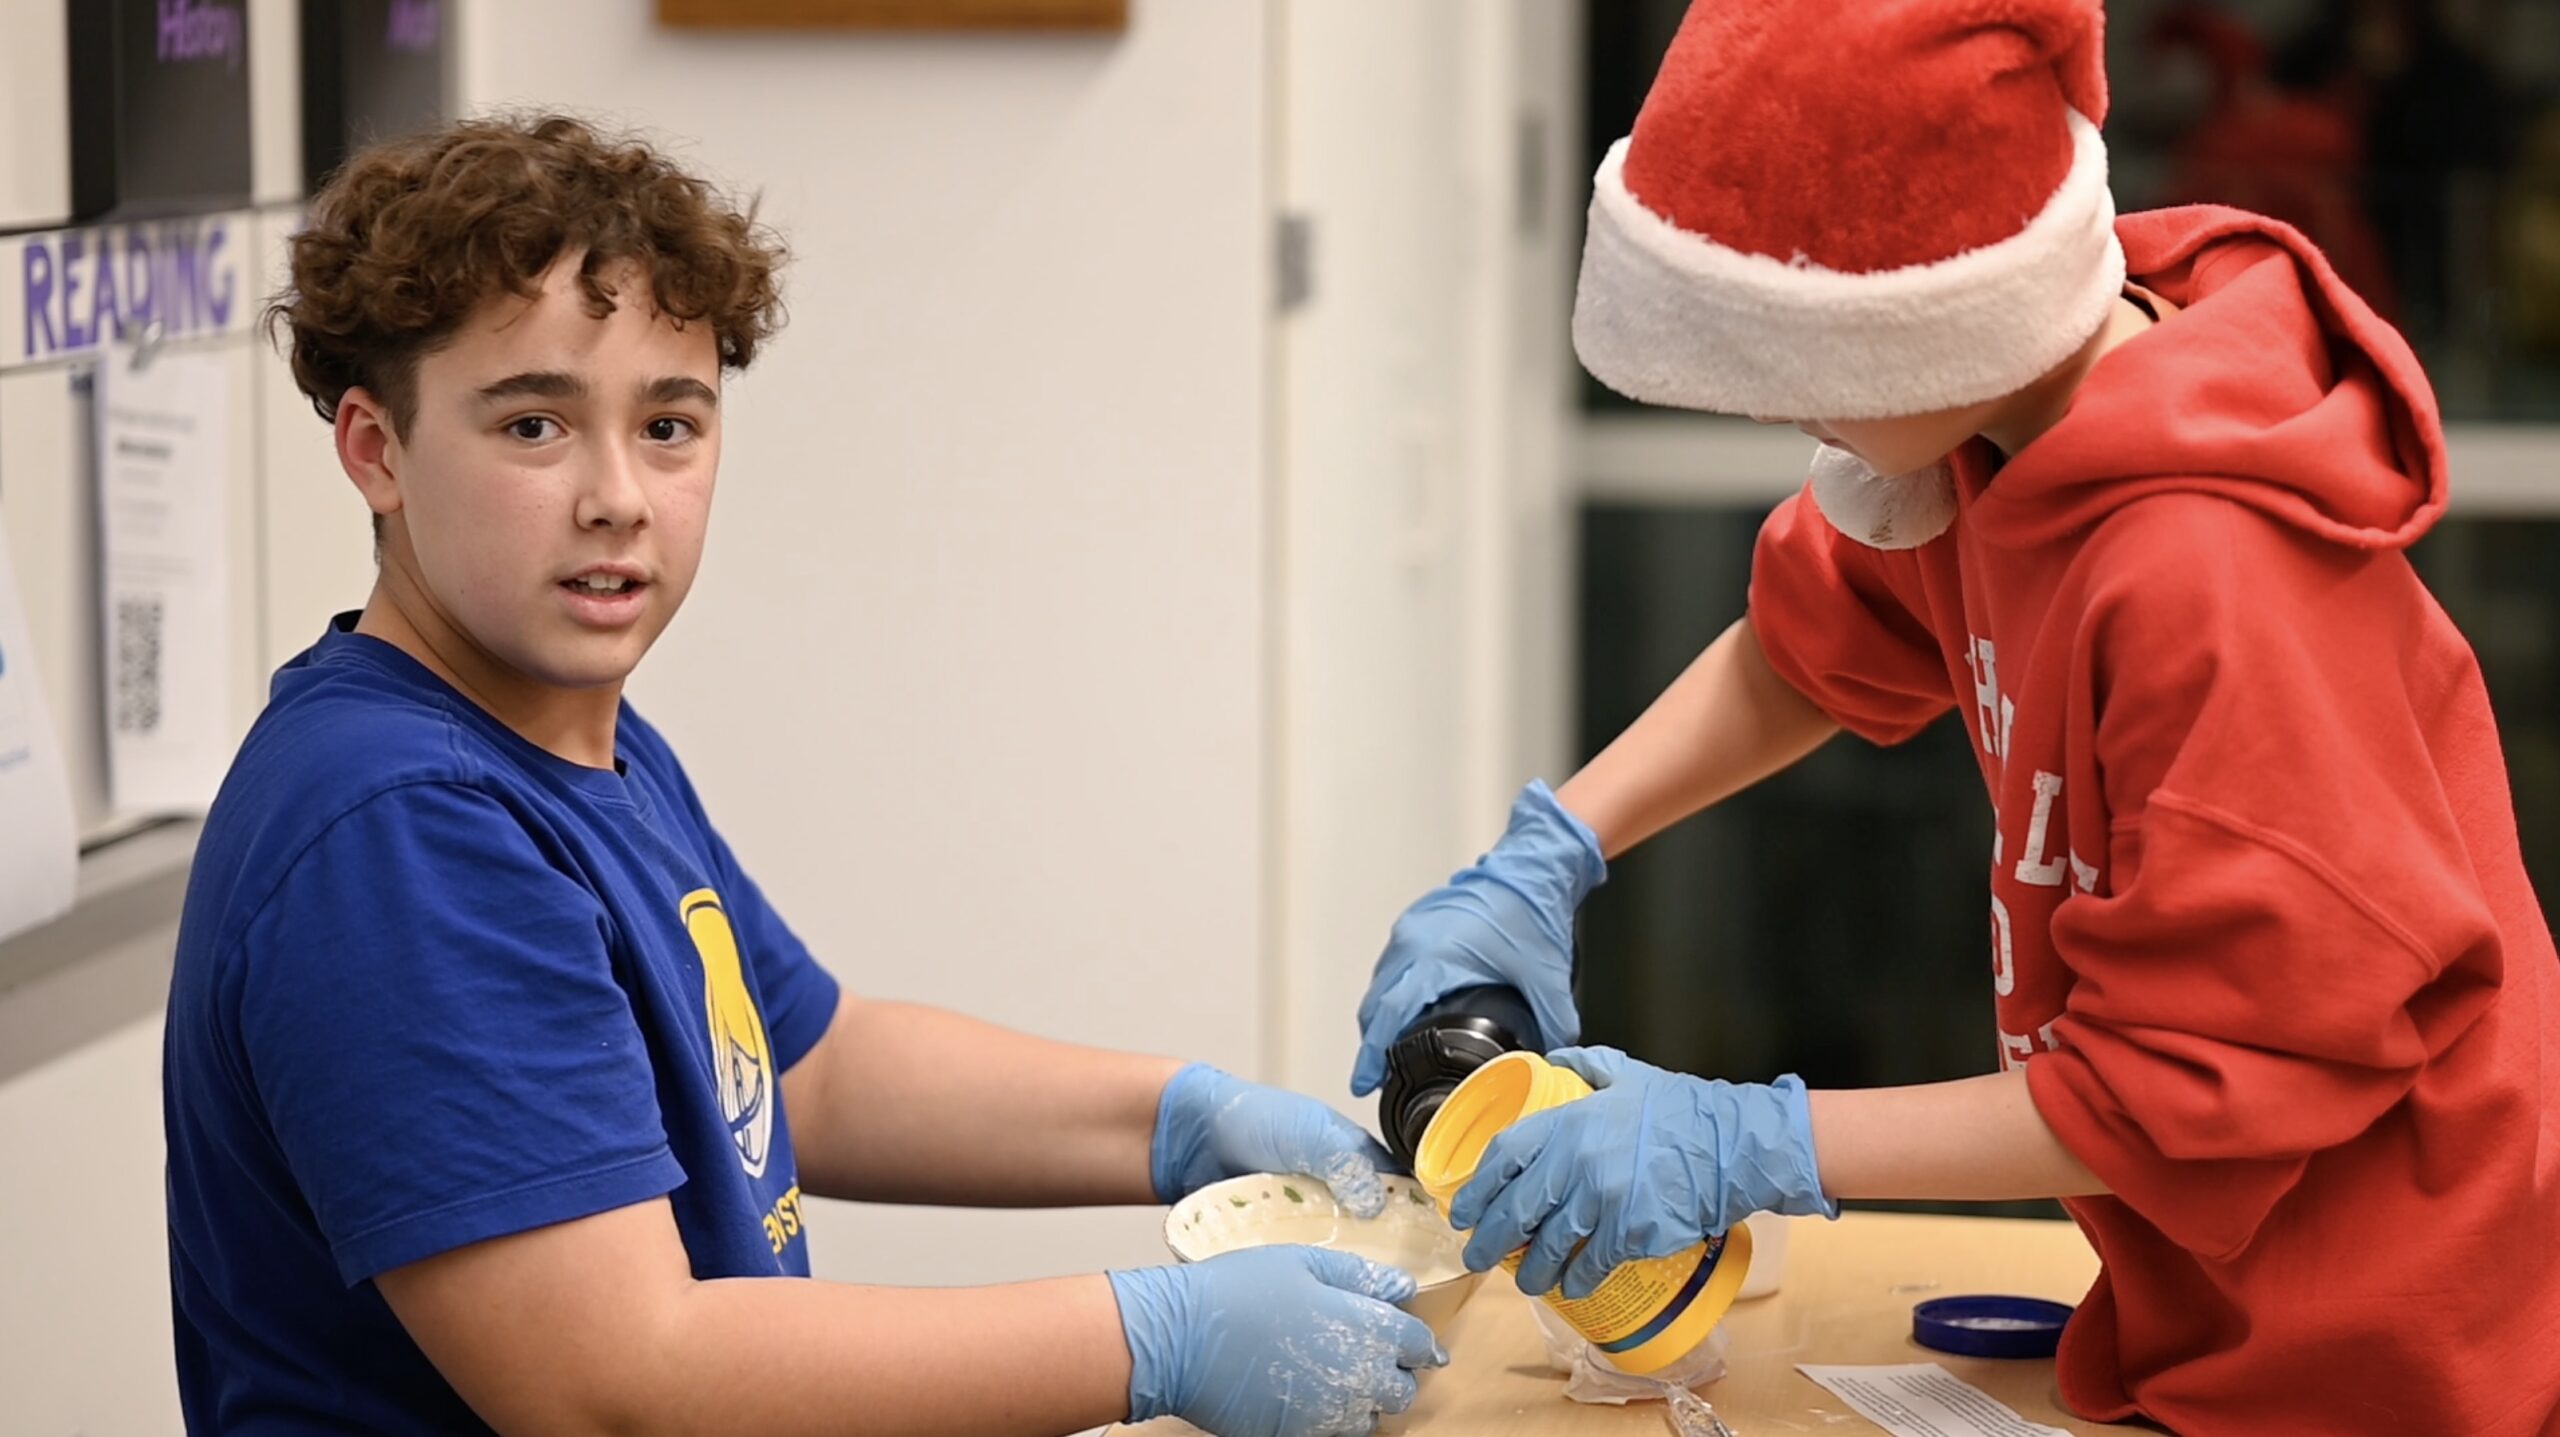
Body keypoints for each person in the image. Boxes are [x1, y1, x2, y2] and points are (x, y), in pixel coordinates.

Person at [1350, 2, 2560, 1433]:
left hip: (2396, 1354)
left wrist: (1752, 1140)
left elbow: (2179, 1092)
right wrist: (1550, 852)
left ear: (1923, 325)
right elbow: (1805, 651)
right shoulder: (1991, 434)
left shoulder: (2213, 575)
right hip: (2204, 1319)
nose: (1774, 419)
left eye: (1794, 372)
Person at [163, 113, 1442, 1437]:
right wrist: (1149, 1338)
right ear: (375, 448)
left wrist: (1176, 1120)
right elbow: (619, 1384)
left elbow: (805, 1067)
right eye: (535, 424)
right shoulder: (403, 828)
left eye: (669, 424)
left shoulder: (564, 736)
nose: (619, 497)